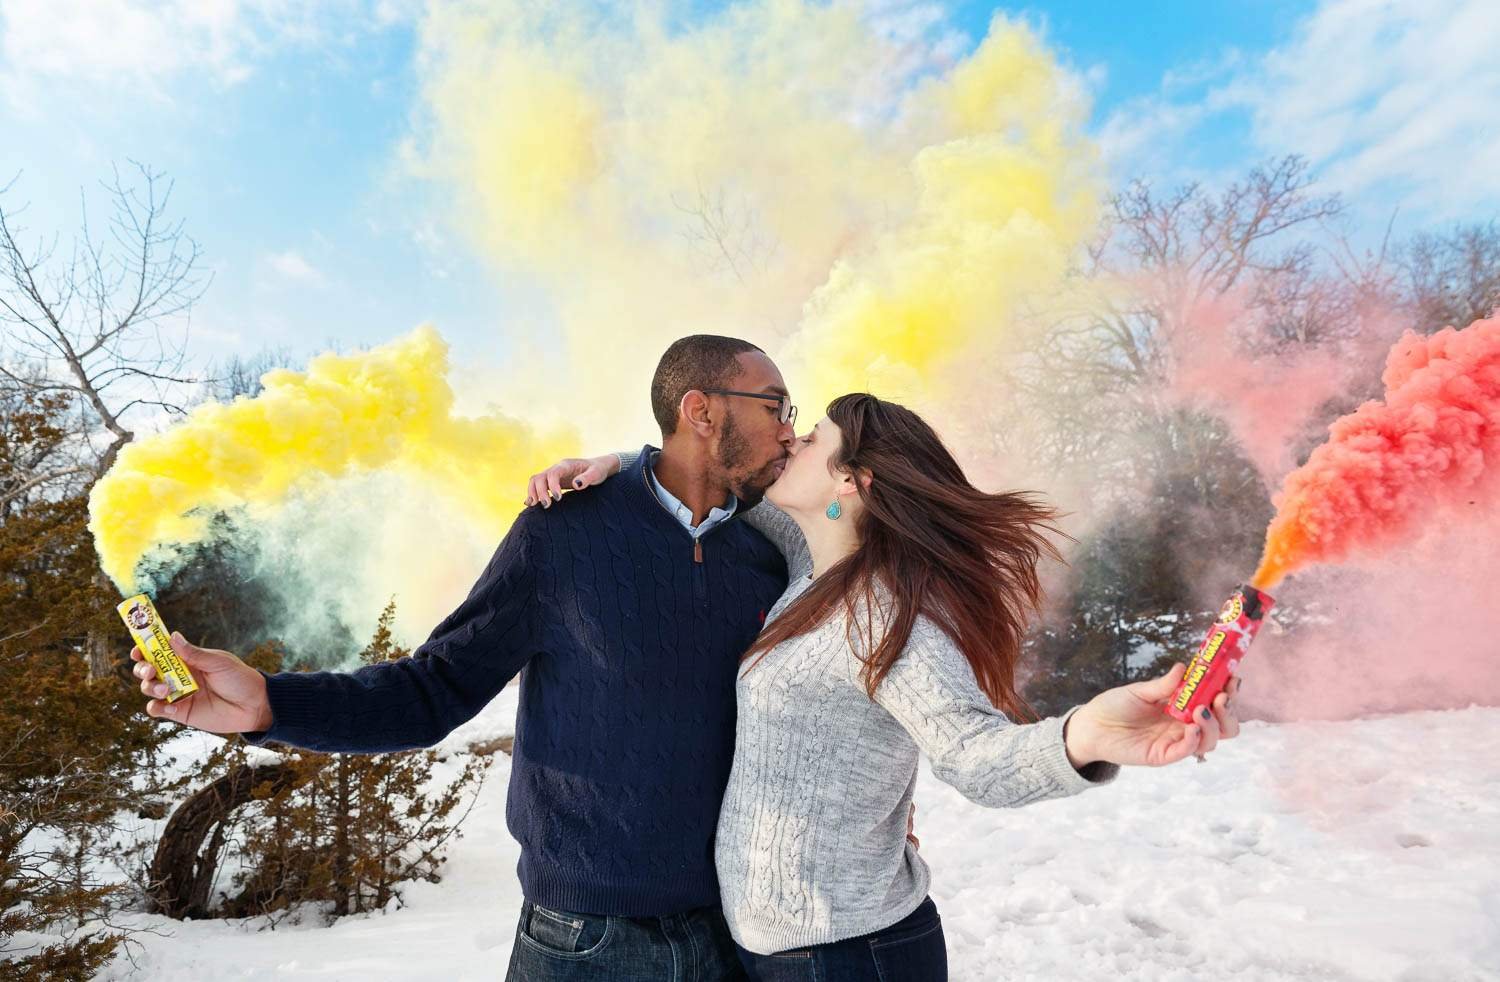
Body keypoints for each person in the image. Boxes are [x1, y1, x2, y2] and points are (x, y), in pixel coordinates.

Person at [132, 335, 801, 982]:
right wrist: (271, 703)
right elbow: (434, 687)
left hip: (734, 934)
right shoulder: (565, 532)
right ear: (701, 409)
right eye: (776, 405)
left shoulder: (771, 556)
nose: (789, 430)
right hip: (587, 941)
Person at [534, 392, 1241, 981]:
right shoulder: (810, 562)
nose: (791, 443)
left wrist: (1083, 735)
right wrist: (629, 467)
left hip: (846, 955)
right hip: (782, 950)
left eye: (812, 440)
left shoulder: (890, 620)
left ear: (852, 482)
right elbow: (724, 487)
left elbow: (974, 755)